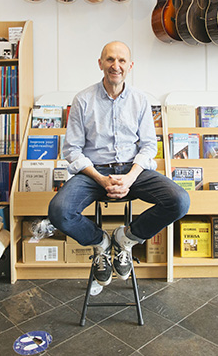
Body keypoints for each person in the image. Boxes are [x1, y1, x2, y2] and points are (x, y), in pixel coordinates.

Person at [48, 41, 190, 286]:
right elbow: (72, 149)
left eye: (122, 60)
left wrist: (130, 177)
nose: (116, 65)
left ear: (130, 65)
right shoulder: (82, 100)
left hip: (132, 171)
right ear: (100, 63)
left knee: (179, 201)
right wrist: (101, 179)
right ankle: (100, 243)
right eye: (110, 59)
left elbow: (148, 147)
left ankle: (126, 238)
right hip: (94, 173)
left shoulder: (140, 100)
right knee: (59, 212)